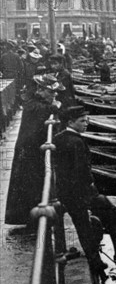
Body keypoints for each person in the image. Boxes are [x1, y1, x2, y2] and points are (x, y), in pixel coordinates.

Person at [53, 106, 116, 273]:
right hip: (78, 194)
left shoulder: (59, 138)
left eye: (86, 120)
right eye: (82, 121)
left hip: (66, 192)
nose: (86, 124)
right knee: (95, 219)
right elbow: (82, 172)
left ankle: (106, 257)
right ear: (70, 122)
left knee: (91, 221)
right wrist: (90, 194)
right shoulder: (76, 142)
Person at [4, 75, 64, 225]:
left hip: (32, 149)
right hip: (28, 150)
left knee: (33, 182)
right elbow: (43, 110)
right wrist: (55, 107)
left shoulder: (35, 101)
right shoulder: (32, 104)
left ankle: (30, 215)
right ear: (41, 90)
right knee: (27, 183)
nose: (54, 95)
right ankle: (28, 217)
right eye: (51, 92)